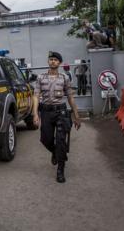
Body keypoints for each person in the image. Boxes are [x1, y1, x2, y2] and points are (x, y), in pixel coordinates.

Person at [32, 51, 81, 183]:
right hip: (46, 112)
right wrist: (35, 113)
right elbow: (36, 95)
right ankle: (54, 151)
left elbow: (70, 97)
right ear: (48, 62)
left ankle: (60, 170)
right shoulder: (40, 77)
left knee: (61, 141)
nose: (52, 61)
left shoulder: (64, 78)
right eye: (51, 59)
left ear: (59, 63)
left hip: (61, 112)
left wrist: (76, 115)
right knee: (45, 139)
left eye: (55, 59)